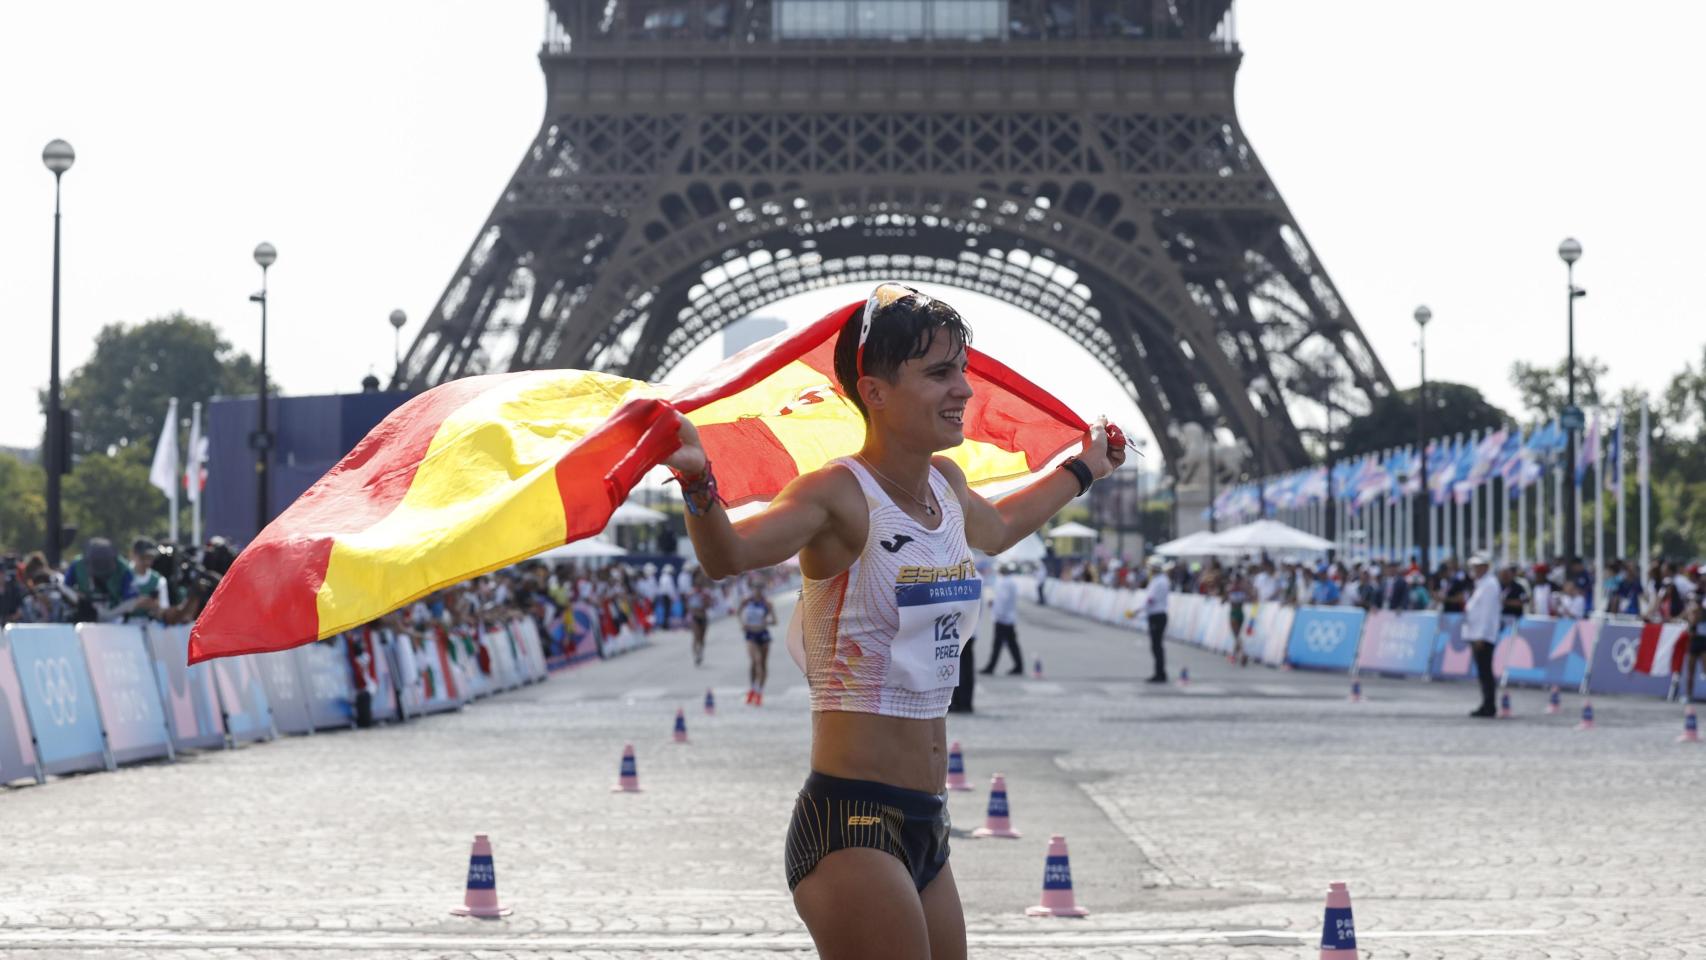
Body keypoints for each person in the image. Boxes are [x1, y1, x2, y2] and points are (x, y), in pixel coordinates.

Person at [664, 282, 1122, 959]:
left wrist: (1085, 467)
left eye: (961, 370)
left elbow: (998, 529)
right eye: (939, 373)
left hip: (928, 819)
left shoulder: (947, 485)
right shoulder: (837, 494)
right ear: (875, 392)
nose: (964, 389)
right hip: (850, 820)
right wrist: (700, 480)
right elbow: (729, 555)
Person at [1462, 555, 1501, 718]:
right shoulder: (1481, 585)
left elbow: (1487, 614)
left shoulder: (1490, 585)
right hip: (1476, 633)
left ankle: (1489, 705)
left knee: (1485, 671)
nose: (1474, 570)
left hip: (1483, 635)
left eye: (1478, 567)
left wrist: (1481, 636)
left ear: (1485, 567)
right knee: (1483, 671)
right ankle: (1486, 703)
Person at [980, 563, 1023, 675]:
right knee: (1012, 644)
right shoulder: (1011, 582)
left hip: (1002, 619)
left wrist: (996, 612)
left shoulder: (1004, 583)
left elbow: (1002, 601)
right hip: (1009, 617)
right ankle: (1019, 666)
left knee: (997, 645)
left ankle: (991, 667)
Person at [739, 580, 777, 705]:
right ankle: (752, 688)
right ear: (752, 589)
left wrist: (766, 622)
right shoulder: (746, 601)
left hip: (763, 634)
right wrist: (742, 624)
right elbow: (738, 613)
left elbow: (774, 621)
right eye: (755, 589)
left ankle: (759, 691)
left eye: (760, 589)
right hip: (751, 634)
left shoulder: (767, 603)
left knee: (763, 664)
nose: (757, 591)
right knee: (756, 661)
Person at [1143, 559, 1171, 683]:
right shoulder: (1163, 580)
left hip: (1156, 615)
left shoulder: (1158, 581)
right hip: (1159, 614)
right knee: (1157, 645)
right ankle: (1160, 672)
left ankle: (1160, 673)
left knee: (1156, 646)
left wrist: (1137, 610)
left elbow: (1150, 599)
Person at [1684, 595, 1706, 704]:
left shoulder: (1704, 614)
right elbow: (1690, 634)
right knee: (1690, 672)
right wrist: (1692, 621)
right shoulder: (1692, 616)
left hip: (1704, 644)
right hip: (1694, 644)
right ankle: (1688, 695)